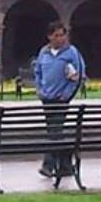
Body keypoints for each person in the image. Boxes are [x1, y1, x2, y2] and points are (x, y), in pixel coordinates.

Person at [32, 20, 86, 178]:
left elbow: (78, 75)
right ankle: (65, 165)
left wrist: (67, 95)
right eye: (56, 35)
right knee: (55, 131)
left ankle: (48, 165)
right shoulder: (44, 52)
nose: (61, 39)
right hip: (46, 98)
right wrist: (39, 90)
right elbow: (38, 72)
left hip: (61, 99)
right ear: (49, 37)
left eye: (63, 35)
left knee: (54, 131)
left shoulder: (72, 53)